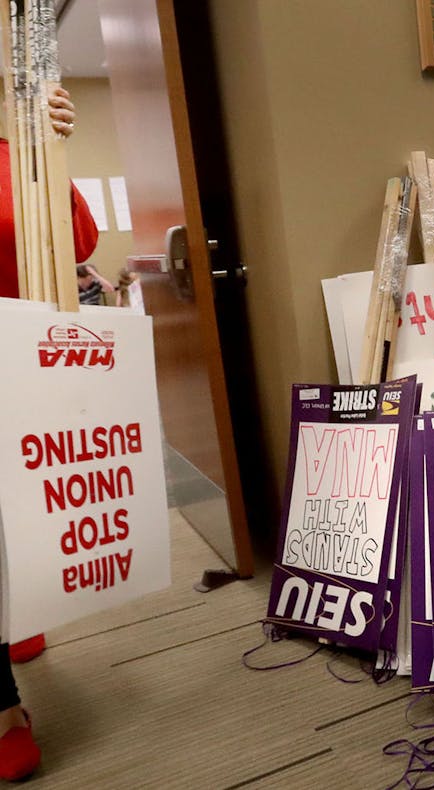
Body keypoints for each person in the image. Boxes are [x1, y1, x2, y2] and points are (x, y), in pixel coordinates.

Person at [0, 85, 99, 782]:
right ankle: (4, 709)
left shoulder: (15, 154)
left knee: (24, 507)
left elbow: (81, 243)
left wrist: (49, 153)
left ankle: (17, 609)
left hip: (23, 360)